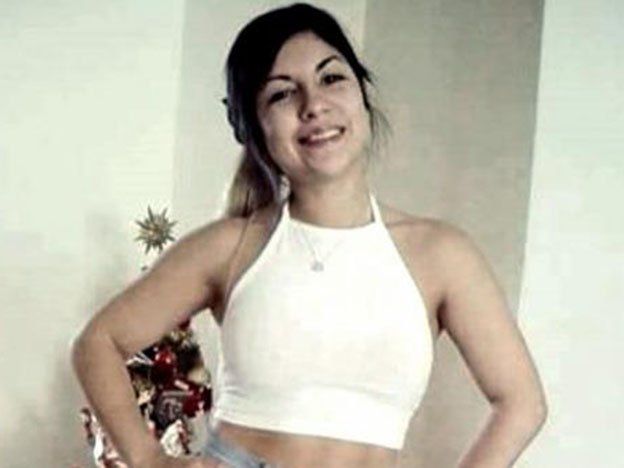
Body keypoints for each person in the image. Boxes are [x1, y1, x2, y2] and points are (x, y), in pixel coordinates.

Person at [71, 3, 548, 468]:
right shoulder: (231, 247)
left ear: (362, 95)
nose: (314, 105)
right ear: (255, 128)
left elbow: (522, 402)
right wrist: (148, 459)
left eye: (331, 78)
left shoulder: (441, 254)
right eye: (281, 94)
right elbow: (99, 343)